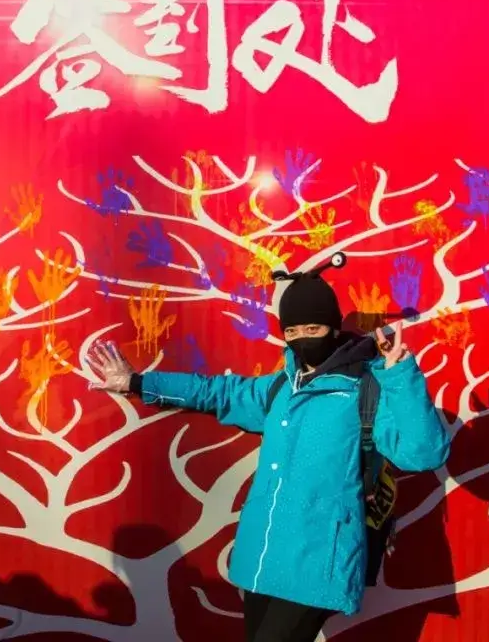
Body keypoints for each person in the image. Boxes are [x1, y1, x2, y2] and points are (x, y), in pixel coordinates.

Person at [87, 254, 451, 642]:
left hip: (317, 562)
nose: (303, 338)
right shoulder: (279, 388)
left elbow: (424, 453)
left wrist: (401, 376)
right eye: (292, 330)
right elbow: (217, 392)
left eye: (313, 327)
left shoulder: (366, 391)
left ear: (332, 328)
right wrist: (138, 383)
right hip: (263, 555)